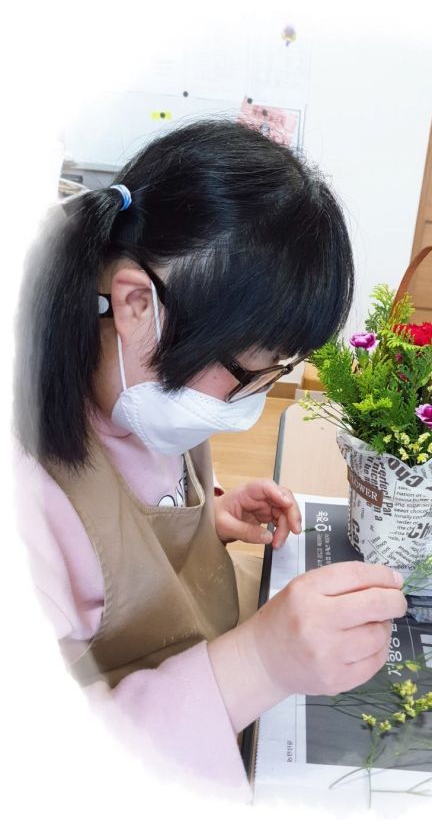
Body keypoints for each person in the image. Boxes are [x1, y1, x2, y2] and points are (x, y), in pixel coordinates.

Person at [13, 118, 407, 797]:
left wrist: (207, 519)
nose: (253, 400)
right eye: (249, 371)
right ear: (137, 304)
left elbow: (131, 521)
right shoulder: (26, 504)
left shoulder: (144, 384)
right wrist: (258, 664)